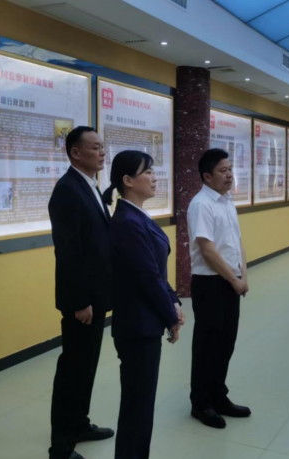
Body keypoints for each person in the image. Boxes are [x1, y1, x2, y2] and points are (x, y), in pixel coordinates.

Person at [103, 150, 185, 459]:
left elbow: (155, 270)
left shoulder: (136, 215)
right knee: (137, 405)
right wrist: (170, 316)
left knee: (141, 403)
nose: (154, 177)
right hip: (137, 325)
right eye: (147, 172)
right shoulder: (127, 221)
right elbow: (147, 276)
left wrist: (173, 300)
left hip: (145, 321)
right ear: (128, 180)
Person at [48, 126, 114, 459]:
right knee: (73, 369)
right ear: (75, 153)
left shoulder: (89, 185)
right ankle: (61, 445)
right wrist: (80, 301)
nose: (102, 152)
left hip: (95, 295)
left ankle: (79, 424)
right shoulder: (67, 190)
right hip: (81, 301)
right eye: (96, 147)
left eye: (103, 146)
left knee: (86, 365)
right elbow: (68, 252)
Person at [187, 148, 250, 429]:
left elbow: (237, 241)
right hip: (210, 283)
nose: (229, 175)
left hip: (230, 280)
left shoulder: (227, 201)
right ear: (206, 176)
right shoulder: (201, 204)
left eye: (230, 169)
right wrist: (234, 280)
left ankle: (218, 396)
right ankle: (200, 403)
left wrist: (243, 275)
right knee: (207, 345)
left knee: (226, 343)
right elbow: (207, 250)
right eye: (223, 171)